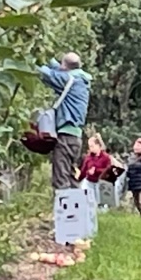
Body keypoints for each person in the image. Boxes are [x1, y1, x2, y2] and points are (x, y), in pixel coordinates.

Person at [38, 53, 91, 192]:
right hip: (75, 137)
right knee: (72, 178)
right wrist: (43, 54)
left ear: (65, 66)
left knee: (61, 179)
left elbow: (47, 73)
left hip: (65, 136)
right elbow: (57, 68)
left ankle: (64, 212)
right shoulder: (79, 79)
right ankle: (78, 211)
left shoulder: (69, 79)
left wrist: (30, 58)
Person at [79, 133, 118, 209]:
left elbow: (108, 171)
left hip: (100, 182)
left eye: (92, 146)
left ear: (98, 146)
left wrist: (96, 171)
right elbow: (83, 170)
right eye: (89, 146)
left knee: (101, 202)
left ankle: (102, 215)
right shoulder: (88, 157)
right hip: (89, 181)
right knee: (86, 199)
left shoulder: (106, 157)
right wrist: (78, 179)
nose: (90, 148)